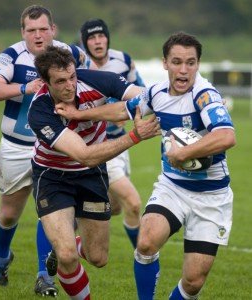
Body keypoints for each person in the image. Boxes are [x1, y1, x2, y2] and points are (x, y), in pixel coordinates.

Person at [56, 32, 236, 299]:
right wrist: (78, 114)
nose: (183, 70)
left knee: (194, 281)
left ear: (198, 64)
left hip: (212, 196)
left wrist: (182, 153)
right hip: (172, 187)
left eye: (190, 62)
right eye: (176, 62)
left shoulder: (205, 95)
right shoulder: (156, 92)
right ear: (165, 63)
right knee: (146, 242)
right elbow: (122, 110)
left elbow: (226, 136)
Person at [27, 46, 161, 299]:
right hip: (52, 175)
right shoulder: (40, 110)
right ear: (45, 83)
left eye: (72, 77)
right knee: (67, 256)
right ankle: (65, 248)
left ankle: (68, 244)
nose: (69, 86)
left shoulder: (98, 80)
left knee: (98, 258)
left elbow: (145, 99)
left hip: (91, 175)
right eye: (60, 81)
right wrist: (135, 135)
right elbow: (84, 155)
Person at [0, 5, 92, 297]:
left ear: (53, 30)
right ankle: (2, 260)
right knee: (8, 215)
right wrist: (25, 87)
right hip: (16, 148)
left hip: (55, 147)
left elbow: (86, 72)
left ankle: (44, 275)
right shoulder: (13, 56)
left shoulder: (68, 53)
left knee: (52, 212)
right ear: (23, 33)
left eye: (43, 29)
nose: (38, 36)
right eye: (31, 30)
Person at [79, 18, 145, 248]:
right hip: (96, 146)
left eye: (101, 36)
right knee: (134, 203)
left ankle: (71, 233)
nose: (97, 41)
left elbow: (141, 95)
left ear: (107, 37)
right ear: (85, 43)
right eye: (91, 38)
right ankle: (144, 256)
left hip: (121, 143)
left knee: (114, 208)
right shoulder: (78, 66)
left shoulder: (124, 61)